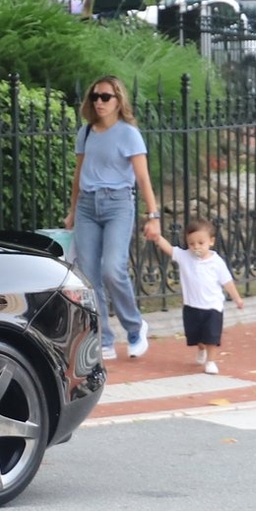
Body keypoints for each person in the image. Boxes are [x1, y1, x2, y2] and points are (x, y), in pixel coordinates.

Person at [69, 76, 164, 362]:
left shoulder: (129, 134)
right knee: (88, 276)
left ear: (118, 101)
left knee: (113, 269)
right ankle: (104, 337)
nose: (99, 102)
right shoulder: (86, 133)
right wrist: (73, 210)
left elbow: (143, 178)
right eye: (95, 96)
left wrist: (153, 216)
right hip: (87, 206)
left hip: (118, 204)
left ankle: (135, 327)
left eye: (106, 97)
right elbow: (78, 176)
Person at [151, 215, 243, 375]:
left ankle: (211, 361)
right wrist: (157, 238)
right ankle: (201, 349)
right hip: (192, 306)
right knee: (196, 337)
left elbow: (227, 282)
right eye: (191, 243)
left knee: (212, 336)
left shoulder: (216, 262)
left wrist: (237, 299)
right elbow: (169, 249)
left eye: (201, 243)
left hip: (213, 306)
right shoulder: (185, 256)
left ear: (211, 241)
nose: (196, 247)